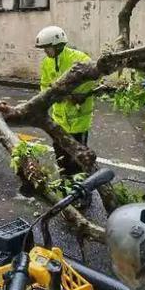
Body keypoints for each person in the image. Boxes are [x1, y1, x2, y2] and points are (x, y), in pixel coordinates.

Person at [35, 26, 96, 177]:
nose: (46, 52)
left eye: (47, 48)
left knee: (77, 157)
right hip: (59, 119)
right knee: (61, 155)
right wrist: (48, 96)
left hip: (78, 118)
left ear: (58, 45)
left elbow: (92, 79)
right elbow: (44, 84)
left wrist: (72, 94)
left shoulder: (80, 59)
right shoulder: (46, 63)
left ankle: (80, 186)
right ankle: (65, 181)